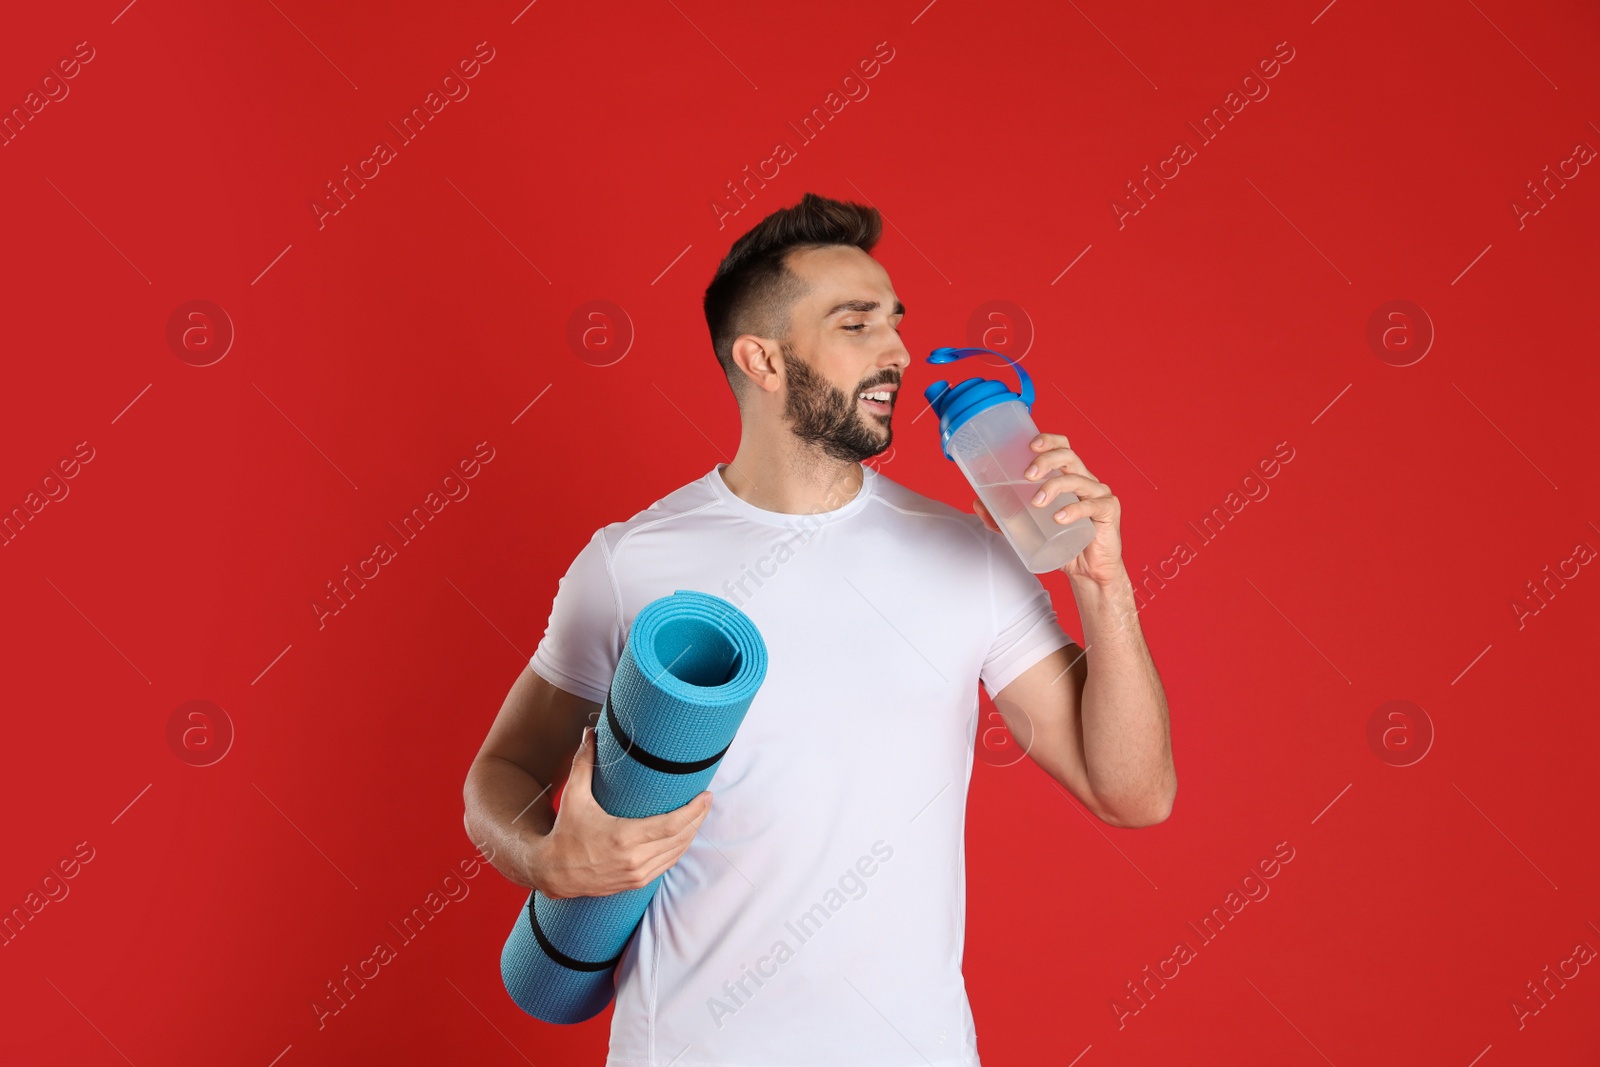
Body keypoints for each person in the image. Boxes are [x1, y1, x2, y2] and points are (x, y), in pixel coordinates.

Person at [462, 191, 1176, 1065]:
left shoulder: (969, 558)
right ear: (762, 358)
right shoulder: (629, 563)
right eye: (856, 323)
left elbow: (1133, 793)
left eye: (895, 321)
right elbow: (497, 775)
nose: (899, 350)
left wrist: (1104, 584)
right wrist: (543, 862)